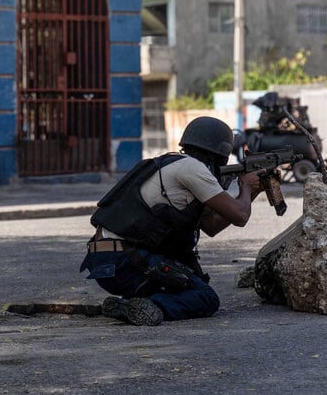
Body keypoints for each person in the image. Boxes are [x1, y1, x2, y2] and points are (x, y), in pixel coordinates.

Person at [80, 116, 262, 326]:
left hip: (106, 262)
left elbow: (211, 226)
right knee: (205, 298)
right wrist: (246, 187)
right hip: (127, 261)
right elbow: (240, 216)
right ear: (220, 153)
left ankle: (130, 305)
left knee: (193, 282)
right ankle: (151, 305)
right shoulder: (193, 169)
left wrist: (253, 192)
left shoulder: (174, 164)